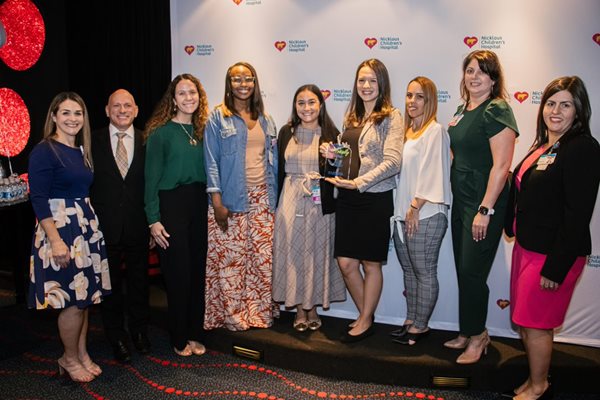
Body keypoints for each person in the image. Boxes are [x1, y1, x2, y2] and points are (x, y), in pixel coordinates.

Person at [503, 76, 600, 400]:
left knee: (537, 323)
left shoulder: (582, 148)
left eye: (566, 104)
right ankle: (534, 380)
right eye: (551, 103)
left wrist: (555, 268)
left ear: (579, 110)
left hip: (554, 255)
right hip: (529, 247)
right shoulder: (544, 144)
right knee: (527, 321)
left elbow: (577, 214)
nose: (556, 110)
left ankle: (539, 385)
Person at [27, 92, 111, 382]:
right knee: (72, 301)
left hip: (84, 229)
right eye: (65, 113)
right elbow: (38, 198)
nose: (72, 119)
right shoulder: (45, 150)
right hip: (61, 230)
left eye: (77, 113)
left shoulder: (80, 150)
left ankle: (82, 354)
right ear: (53, 116)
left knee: (84, 297)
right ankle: (68, 358)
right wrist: (56, 240)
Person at [320, 58, 403, 343]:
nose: (366, 86)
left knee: (371, 264)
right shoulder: (351, 117)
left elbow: (393, 162)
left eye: (372, 81)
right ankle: (365, 315)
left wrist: (358, 183)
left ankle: (365, 319)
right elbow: (350, 156)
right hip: (347, 198)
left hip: (374, 199)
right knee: (345, 263)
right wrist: (333, 155)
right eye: (361, 80)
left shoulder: (391, 116)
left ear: (381, 84)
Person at [446, 50, 518, 364]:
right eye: (470, 70)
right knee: (463, 269)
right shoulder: (462, 110)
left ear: (493, 79)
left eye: (482, 72)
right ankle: (468, 329)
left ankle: (478, 338)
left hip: (482, 202)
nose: (474, 77)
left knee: (473, 271)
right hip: (461, 201)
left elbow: (501, 166)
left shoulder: (497, 109)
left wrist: (485, 209)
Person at [203, 61, 278, 331]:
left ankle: (258, 313)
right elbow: (211, 161)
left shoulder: (267, 120)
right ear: (229, 84)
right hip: (231, 199)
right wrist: (217, 200)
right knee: (230, 261)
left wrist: (275, 202)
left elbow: (271, 162)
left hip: (262, 199)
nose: (243, 84)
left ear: (255, 83)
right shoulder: (217, 117)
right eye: (237, 79)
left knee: (260, 260)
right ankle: (231, 315)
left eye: (248, 79)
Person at [144, 74, 209, 357]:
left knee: (197, 272)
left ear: (199, 96)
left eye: (192, 93)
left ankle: (195, 333)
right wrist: (153, 219)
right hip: (171, 206)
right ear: (173, 99)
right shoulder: (161, 133)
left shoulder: (203, 131)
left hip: (198, 202)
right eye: (182, 94)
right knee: (178, 274)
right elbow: (150, 180)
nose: (188, 98)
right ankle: (179, 337)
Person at [272, 84, 346, 331]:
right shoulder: (285, 132)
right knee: (293, 255)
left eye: (312, 102)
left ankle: (312, 307)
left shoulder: (332, 134)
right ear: (295, 106)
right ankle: (298, 308)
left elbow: (340, 173)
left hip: (319, 201)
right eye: (301, 102)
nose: (307, 108)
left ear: (320, 105)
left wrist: (334, 159)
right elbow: (277, 170)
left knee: (315, 254)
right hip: (290, 199)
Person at [90, 89, 151, 363]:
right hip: (105, 228)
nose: (122, 110)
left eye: (128, 106)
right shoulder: (91, 140)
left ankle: (139, 331)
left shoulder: (148, 139)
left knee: (140, 283)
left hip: (139, 226)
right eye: (117, 106)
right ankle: (115, 335)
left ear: (136, 110)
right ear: (107, 110)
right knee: (110, 286)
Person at [389, 77, 451, 345]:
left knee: (424, 270)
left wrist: (415, 207)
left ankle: (421, 326)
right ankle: (411, 320)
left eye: (419, 97)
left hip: (425, 213)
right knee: (409, 271)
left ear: (430, 101)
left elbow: (433, 170)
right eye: (409, 95)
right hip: (403, 214)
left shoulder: (434, 131)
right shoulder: (406, 132)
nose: (412, 101)